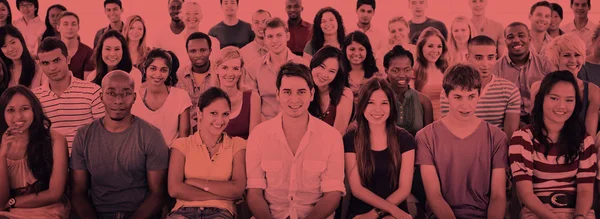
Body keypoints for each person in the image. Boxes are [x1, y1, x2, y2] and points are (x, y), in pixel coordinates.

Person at [246, 62, 345, 219]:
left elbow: (333, 194)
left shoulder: (331, 137)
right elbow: (254, 192)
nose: (294, 99)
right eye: (287, 92)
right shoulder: (259, 135)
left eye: (301, 92)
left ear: (312, 94)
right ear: (277, 94)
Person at [70, 70, 169, 219]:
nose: (118, 101)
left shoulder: (151, 135)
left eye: (125, 93)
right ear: (101, 97)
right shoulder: (84, 135)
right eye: (111, 93)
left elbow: (158, 194)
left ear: (134, 97)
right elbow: (78, 192)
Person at [416, 64, 508, 219]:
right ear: (446, 96)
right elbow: (434, 196)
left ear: (480, 94)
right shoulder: (426, 137)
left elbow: (498, 196)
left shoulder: (497, 137)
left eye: (471, 96)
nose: (466, 105)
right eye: (458, 97)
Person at [509, 70, 596, 218]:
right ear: (542, 99)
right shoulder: (522, 138)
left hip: (578, 212)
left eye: (569, 100)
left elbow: (585, 190)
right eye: (554, 98)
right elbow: (526, 194)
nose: (562, 106)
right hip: (537, 212)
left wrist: (579, 216)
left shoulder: (584, 141)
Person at [167, 87, 246, 219]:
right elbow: (174, 189)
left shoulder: (237, 145)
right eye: (214, 113)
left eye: (225, 114)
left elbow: (237, 189)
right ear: (200, 112)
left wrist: (195, 182)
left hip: (221, 212)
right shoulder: (182, 145)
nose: (220, 120)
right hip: (183, 211)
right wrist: (222, 193)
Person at [343, 78, 415, 219]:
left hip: (395, 213)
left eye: (384, 103)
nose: (377, 110)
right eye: (370, 103)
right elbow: (357, 189)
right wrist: (372, 214)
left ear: (392, 106)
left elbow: (404, 189)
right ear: (362, 105)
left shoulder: (405, 139)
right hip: (361, 213)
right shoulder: (350, 139)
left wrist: (376, 214)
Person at [0, 85, 69, 218]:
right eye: (10, 110)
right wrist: (2, 155)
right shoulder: (2, 144)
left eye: (24, 109)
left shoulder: (55, 140)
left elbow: (55, 193)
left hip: (46, 210)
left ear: (34, 111)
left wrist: (12, 202)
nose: (18, 116)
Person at [33, 37, 105, 154]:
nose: (52, 68)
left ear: (68, 59)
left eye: (56, 60)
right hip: (49, 163)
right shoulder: (34, 97)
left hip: (86, 161)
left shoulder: (93, 91)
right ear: (40, 65)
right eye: (46, 63)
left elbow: (103, 134)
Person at [440, 35, 521, 139]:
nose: (485, 64)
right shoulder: (450, 91)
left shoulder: (510, 90)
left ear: (496, 57)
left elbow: (510, 137)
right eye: (479, 58)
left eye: (490, 57)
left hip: (498, 149)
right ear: (468, 57)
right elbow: (450, 131)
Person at [534, 34, 600, 139]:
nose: (573, 60)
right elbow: (535, 125)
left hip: (579, 149)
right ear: (556, 58)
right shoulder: (537, 87)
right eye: (566, 55)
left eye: (577, 55)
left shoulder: (593, 91)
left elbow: (589, 137)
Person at [246, 17, 306, 121]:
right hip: (265, 124)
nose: (275, 40)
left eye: (279, 35)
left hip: (295, 122)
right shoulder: (254, 68)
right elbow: (253, 107)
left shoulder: (303, 65)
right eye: (270, 36)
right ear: (264, 39)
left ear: (287, 36)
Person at [493, 22, 552, 125]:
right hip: (508, 121)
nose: (516, 40)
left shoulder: (546, 65)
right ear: (505, 41)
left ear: (529, 39)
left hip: (542, 120)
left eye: (521, 36)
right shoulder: (495, 68)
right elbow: (495, 104)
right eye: (510, 37)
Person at [132, 48, 191, 146]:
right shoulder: (133, 97)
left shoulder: (181, 96)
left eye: (163, 70)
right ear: (145, 69)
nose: (158, 74)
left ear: (169, 72)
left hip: (173, 156)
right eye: (153, 68)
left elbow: (183, 140)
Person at [212, 46, 261, 139]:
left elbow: (254, 140)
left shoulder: (252, 97)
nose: (230, 73)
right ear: (216, 69)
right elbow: (204, 140)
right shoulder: (208, 99)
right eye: (225, 68)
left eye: (235, 68)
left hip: (246, 151)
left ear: (241, 71)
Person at [153, 0, 221, 66]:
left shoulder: (213, 42)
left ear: (201, 16)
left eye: (196, 13)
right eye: (187, 13)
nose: (192, 16)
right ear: (181, 16)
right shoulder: (170, 42)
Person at [385, 45, 433, 136]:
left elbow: (429, 138)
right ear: (386, 71)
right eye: (395, 70)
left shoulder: (424, 101)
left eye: (407, 70)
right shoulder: (377, 99)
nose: (402, 75)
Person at [175, 32, 218, 134]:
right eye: (193, 51)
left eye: (203, 50)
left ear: (210, 51)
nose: (198, 55)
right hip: (185, 131)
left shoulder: (219, 74)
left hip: (214, 130)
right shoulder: (179, 76)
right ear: (187, 52)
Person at [308, 46, 353, 134]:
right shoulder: (302, 88)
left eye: (331, 71)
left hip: (332, 145)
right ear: (314, 63)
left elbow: (338, 133)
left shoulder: (344, 93)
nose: (324, 74)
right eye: (322, 67)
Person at [413, 27, 449, 121]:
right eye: (430, 46)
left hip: (447, 122)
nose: (435, 50)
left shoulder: (447, 70)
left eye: (439, 46)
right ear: (421, 47)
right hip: (425, 123)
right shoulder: (414, 71)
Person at [343, 31, 385, 103]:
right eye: (352, 49)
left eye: (361, 49)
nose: (356, 53)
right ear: (345, 50)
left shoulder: (377, 75)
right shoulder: (339, 73)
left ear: (367, 51)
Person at [0, 25, 44, 89]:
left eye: (13, 42)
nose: (10, 49)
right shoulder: (3, 72)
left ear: (21, 40)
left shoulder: (40, 67)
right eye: (4, 46)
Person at [56, 11, 95, 80]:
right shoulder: (52, 50)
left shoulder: (88, 52)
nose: (70, 27)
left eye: (73, 24)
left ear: (78, 28)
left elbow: (88, 82)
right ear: (58, 28)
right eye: (66, 24)